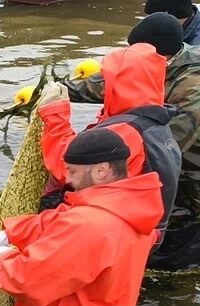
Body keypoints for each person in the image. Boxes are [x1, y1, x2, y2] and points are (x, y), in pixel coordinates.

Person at [0, 129, 163, 306]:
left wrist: (0, 258)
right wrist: (14, 231)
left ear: (101, 170)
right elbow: (63, 220)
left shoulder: (89, 226)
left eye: (72, 171)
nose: (66, 179)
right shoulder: (133, 208)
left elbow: (28, 280)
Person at [39, 40, 180, 244]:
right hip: (139, 232)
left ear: (123, 83)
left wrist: (55, 114)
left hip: (106, 236)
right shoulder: (155, 120)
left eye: (108, 80)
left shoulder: (127, 132)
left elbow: (67, 169)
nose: (103, 88)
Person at [63, 13, 199, 221]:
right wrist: (58, 90)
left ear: (158, 56)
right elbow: (106, 84)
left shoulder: (193, 85)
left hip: (189, 176)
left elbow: (166, 145)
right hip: (162, 166)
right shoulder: (147, 65)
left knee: (174, 230)